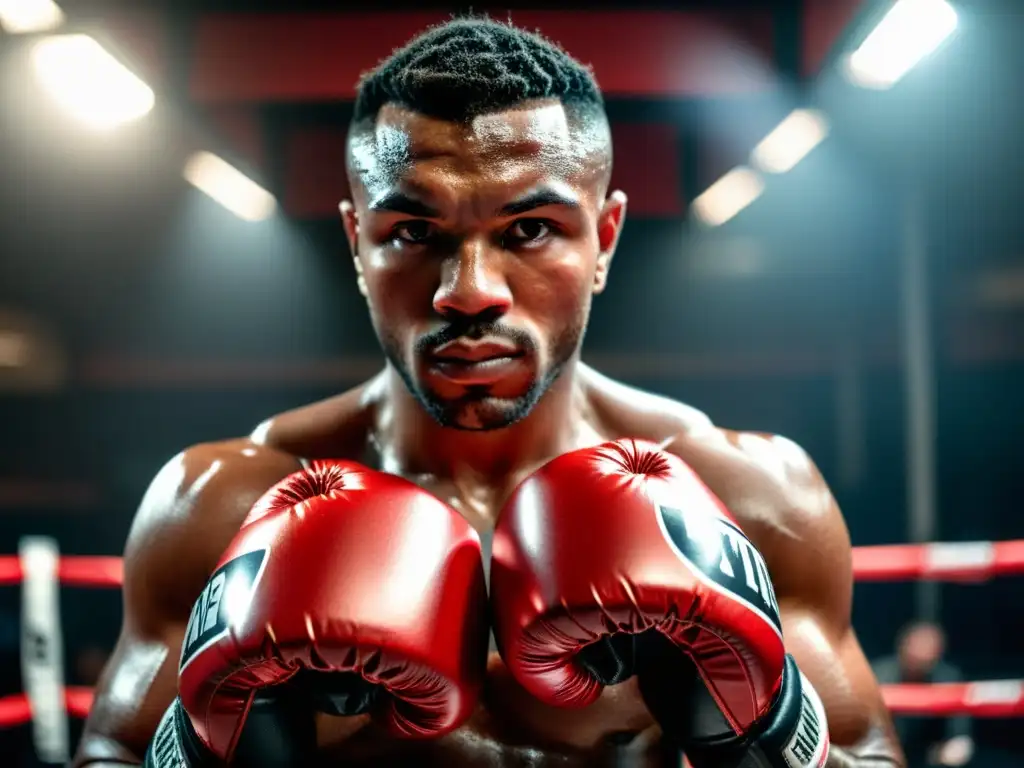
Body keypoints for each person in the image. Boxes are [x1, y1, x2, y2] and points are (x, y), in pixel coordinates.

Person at [72, 17, 905, 768]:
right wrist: (217, 737)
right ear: (358, 245)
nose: (468, 292)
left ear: (605, 237)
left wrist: (758, 724)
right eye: (413, 232)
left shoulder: (749, 497)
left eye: (529, 229)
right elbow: (110, 756)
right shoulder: (219, 508)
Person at [873, 623, 973, 767]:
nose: (922, 655)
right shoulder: (877, 676)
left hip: (929, 756)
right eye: (917, 647)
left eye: (929, 650)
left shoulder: (947, 679)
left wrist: (954, 746)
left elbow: (959, 733)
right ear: (903, 647)